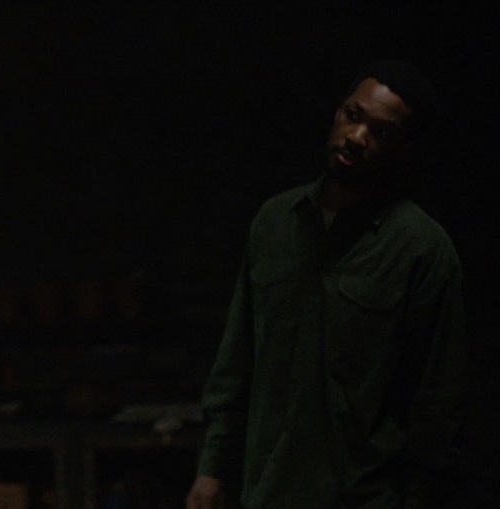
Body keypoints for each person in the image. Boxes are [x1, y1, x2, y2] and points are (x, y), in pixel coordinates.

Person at [187, 60, 465, 509]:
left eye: (381, 132)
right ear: (337, 112)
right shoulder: (275, 223)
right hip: (268, 493)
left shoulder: (421, 250)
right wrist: (212, 468)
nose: (357, 138)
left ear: (404, 148)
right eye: (353, 116)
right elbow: (237, 361)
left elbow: (437, 404)